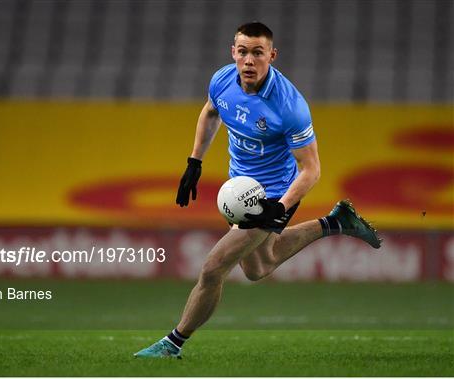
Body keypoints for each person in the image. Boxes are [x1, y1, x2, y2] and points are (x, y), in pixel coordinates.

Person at [134, 22, 381, 359]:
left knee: (212, 268)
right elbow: (210, 112)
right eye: (243, 52)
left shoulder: (289, 106)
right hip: (240, 188)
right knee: (258, 268)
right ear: (233, 53)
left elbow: (312, 170)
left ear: (272, 56)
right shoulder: (222, 80)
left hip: (276, 193)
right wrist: (195, 161)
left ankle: (173, 343)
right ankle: (336, 223)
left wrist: (279, 208)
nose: (249, 60)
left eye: (257, 53)